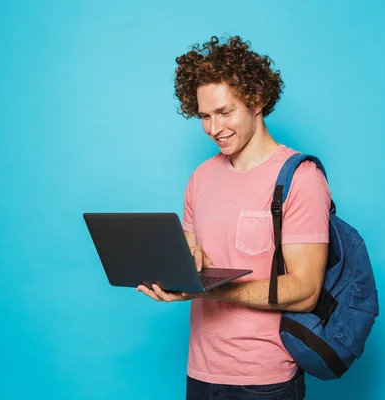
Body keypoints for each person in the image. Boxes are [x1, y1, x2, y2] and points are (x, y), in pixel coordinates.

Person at [137, 35, 332, 400]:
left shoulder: (301, 179)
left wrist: (213, 292)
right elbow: (193, 254)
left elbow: (306, 291)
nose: (214, 128)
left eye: (225, 112)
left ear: (257, 100)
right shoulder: (201, 177)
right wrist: (172, 273)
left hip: (265, 380)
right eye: (205, 117)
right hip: (200, 372)